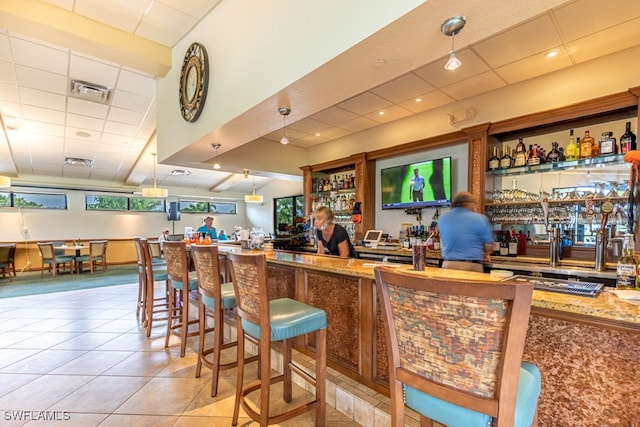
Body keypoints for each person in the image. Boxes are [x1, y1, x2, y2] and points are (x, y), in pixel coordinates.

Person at [437, 191, 493, 272]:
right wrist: (485, 253)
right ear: (468, 204)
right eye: (473, 203)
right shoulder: (479, 219)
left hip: (448, 265)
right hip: (471, 267)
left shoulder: (442, 218)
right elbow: (490, 245)